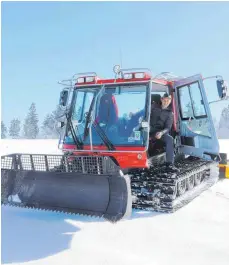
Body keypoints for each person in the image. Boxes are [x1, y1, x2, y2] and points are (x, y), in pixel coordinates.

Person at [150, 93, 175, 167]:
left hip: (159, 132)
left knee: (170, 139)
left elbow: (168, 128)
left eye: (168, 100)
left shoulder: (170, 113)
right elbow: (144, 112)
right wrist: (134, 114)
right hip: (148, 129)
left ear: (170, 101)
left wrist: (161, 133)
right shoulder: (153, 106)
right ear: (161, 99)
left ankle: (169, 163)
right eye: (165, 100)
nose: (166, 102)